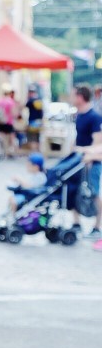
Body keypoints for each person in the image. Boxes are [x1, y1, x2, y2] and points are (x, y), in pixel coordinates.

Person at [71, 84, 102, 238]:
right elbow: (79, 138)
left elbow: (97, 143)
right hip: (78, 160)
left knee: (94, 193)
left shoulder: (95, 117)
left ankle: (97, 226)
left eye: (73, 95)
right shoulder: (79, 115)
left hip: (92, 161)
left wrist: (87, 154)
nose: (71, 98)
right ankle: (76, 223)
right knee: (72, 189)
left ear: (80, 97)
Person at [0, 85, 17, 157]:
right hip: (8, 122)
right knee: (9, 137)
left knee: (2, 136)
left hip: (0, 121)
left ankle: (2, 150)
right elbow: (13, 112)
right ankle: (7, 151)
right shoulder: (10, 101)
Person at [25, 86, 43, 152]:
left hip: (32, 121)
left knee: (32, 138)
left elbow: (25, 106)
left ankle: (33, 152)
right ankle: (38, 151)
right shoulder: (39, 100)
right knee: (37, 138)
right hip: (39, 122)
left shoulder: (30, 101)